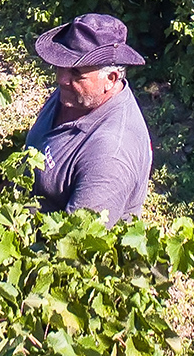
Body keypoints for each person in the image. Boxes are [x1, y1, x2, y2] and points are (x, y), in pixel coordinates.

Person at [23, 13, 153, 227]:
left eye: (76, 72)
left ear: (110, 80)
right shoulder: (78, 96)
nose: (62, 79)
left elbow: (74, 243)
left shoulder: (110, 154)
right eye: (60, 65)